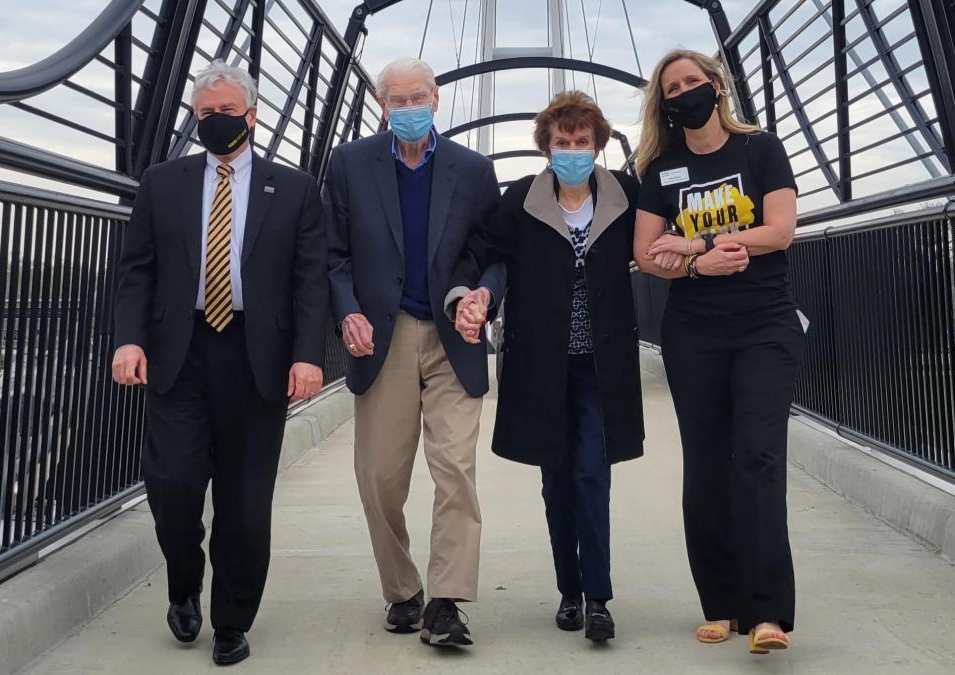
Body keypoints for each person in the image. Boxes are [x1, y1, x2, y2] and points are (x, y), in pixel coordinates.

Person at [112, 60, 327, 666]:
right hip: (179, 355)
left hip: (256, 360)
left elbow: (309, 281)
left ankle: (232, 620)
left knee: (244, 501)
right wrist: (129, 340)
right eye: (206, 114)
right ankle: (184, 583)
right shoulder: (162, 182)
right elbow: (137, 271)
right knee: (173, 484)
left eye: (228, 113)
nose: (217, 123)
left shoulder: (295, 189)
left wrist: (309, 355)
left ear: (253, 116)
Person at [322, 57, 505, 647]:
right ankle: (403, 590)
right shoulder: (349, 165)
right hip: (383, 334)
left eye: (417, 98)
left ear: (437, 98)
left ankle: (447, 601)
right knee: (378, 475)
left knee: (455, 470)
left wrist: (484, 296)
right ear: (381, 105)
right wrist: (347, 308)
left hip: (455, 335)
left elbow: (496, 255)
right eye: (396, 101)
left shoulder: (475, 171)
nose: (407, 110)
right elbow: (333, 255)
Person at [449, 91, 644, 643]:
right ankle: (569, 589)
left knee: (592, 474)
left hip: (601, 366)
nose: (573, 151)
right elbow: (483, 252)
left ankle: (599, 597)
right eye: (563, 142)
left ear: (599, 145)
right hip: (542, 366)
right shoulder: (520, 201)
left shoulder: (624, 195)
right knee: (556, 481)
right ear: (546, 148)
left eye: (583, 142)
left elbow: (658, 238)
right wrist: (472, 295)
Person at [633, 48, 805, 654]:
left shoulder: (760, 149)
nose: (684, 93)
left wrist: (703, 238)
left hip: (765, 326)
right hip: (694, 333)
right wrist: (698, 266)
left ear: (717, 87)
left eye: (693, 82)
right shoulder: (661, 170)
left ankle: (767, 613)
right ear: (664, 103)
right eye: (672, 87)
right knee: (706, 466)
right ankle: (721, 604)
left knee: (757, 458)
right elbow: (649, 255)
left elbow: (780, 229)